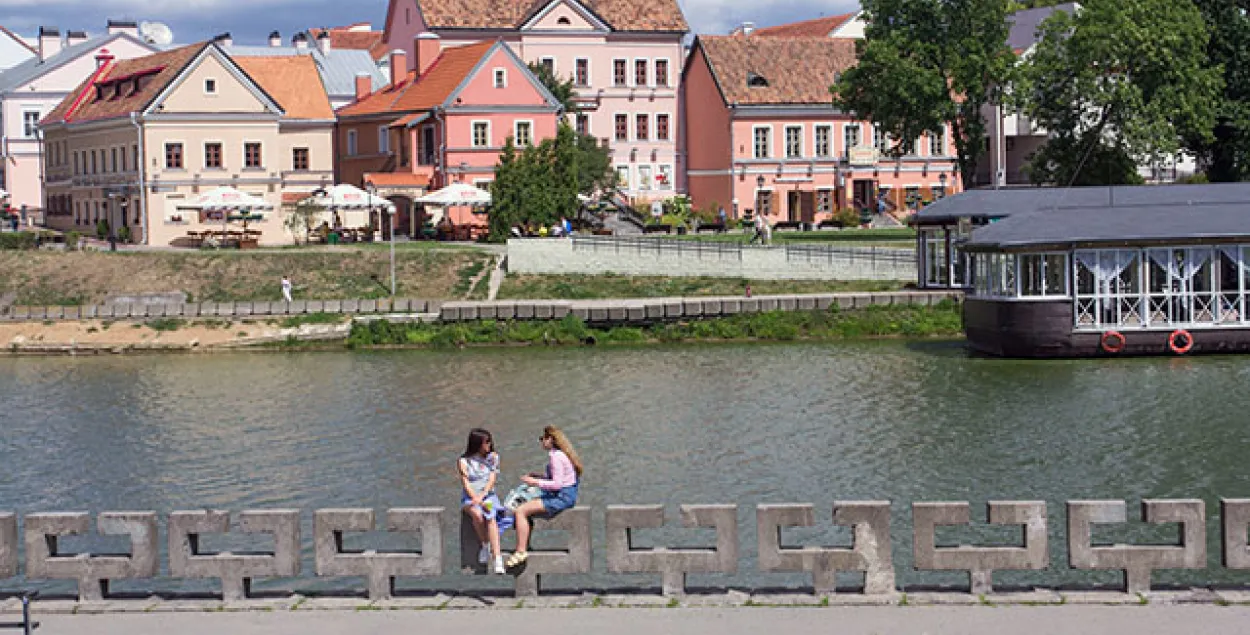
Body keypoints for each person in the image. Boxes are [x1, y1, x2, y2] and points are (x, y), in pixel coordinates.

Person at [505, 425, 583, 568]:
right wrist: (539, 477)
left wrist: (535, 482)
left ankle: (521, 551)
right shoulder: (561, 455)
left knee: (521, 511)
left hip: (561, 497)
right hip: (565, 494)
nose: (541, 442)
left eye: (543, 439)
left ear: (550, 440)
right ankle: (525, 545)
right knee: (526, 504)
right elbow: (557, 478)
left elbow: (557, 484)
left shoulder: (556, 457)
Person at [458, 428, 506, 574]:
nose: (489, 445)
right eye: (486, 442)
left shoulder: (493, 458)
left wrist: (484, 496)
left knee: (490, 515)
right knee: (477, 515)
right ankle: (485, 544)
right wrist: (475, 499)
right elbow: (465, 483)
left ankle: (497, 558)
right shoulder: (464, 461)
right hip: (470, 497)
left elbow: (492, 479)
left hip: (488, 496)